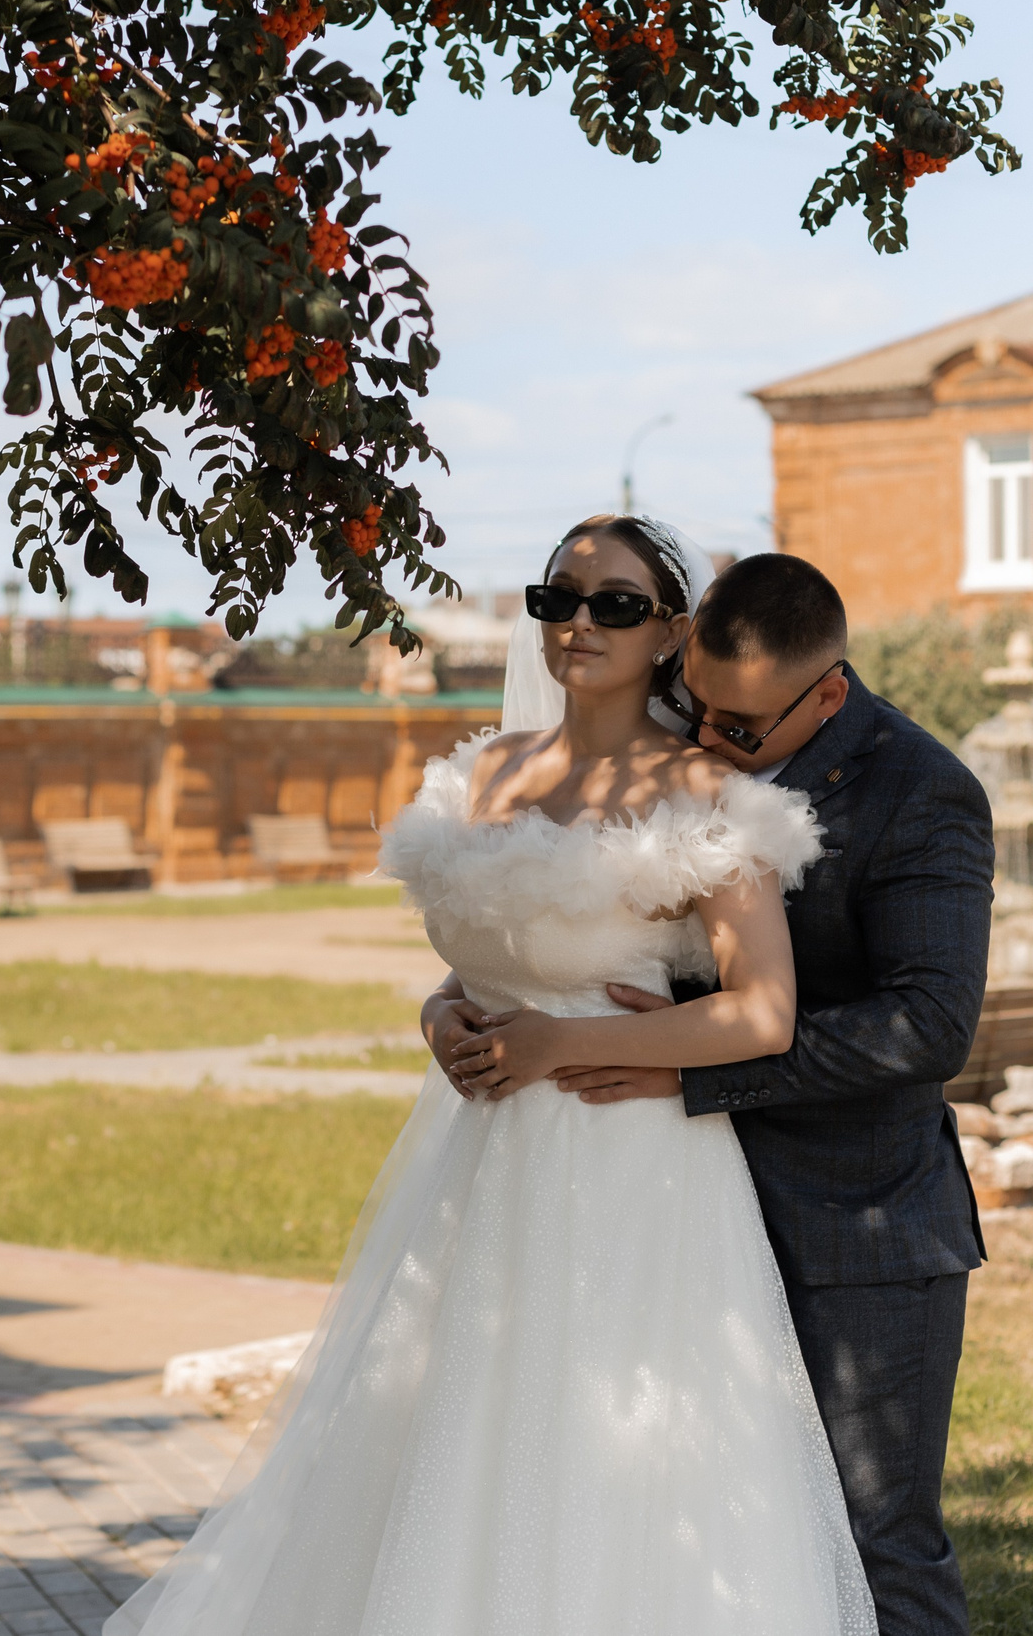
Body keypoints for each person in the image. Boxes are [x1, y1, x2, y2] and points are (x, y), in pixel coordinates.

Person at [103, 516, 877, 1636]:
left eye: (614, 604)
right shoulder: (486, 772)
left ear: (669, 631)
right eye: (556, 598)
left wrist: (566, 1044)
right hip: (476, 1169)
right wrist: (438, 1013)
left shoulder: (703, 791)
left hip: (630, 1175)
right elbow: (469, 965)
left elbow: (762, 1014)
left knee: (610, 1447)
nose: (576, 623)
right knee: (447, 1428)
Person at [428, 552, 996, 1636]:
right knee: (692, 1521)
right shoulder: (686, 742)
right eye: (697, 707)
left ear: (826, 692)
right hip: (666, 1211)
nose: (706, 740)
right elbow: (593, 927)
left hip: (853, 1222)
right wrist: (453, 1004)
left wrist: (688, 1065)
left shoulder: (921, 793)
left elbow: (928, 1027)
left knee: (875, 1537)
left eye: (740, 730)